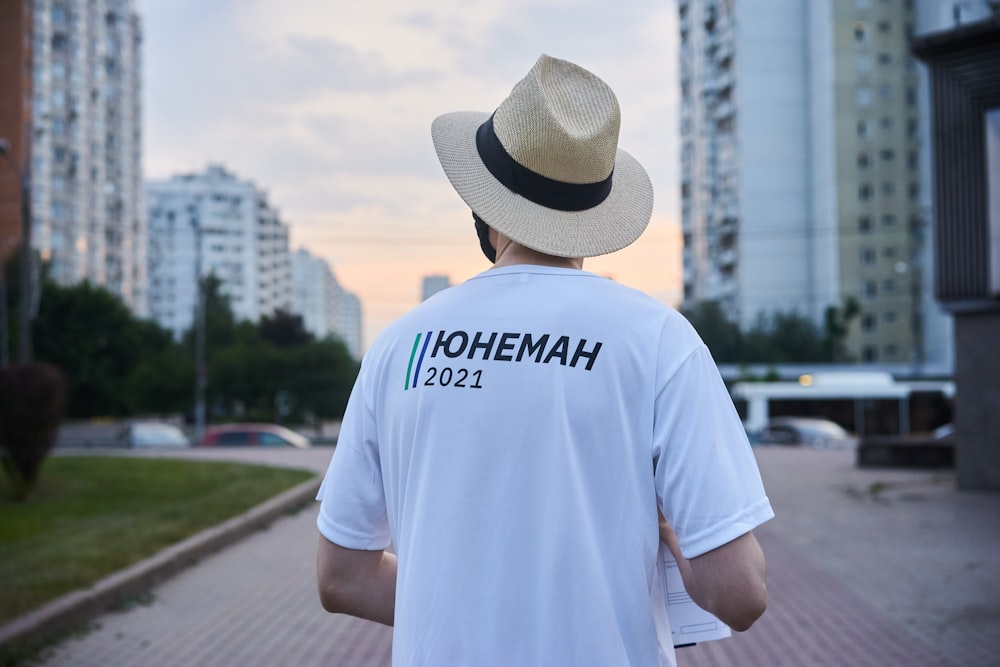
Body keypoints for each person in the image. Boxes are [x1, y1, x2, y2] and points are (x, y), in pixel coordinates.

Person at [315, 54, 773, 666]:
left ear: (483, 208)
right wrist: (671, 547)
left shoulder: (401, 345)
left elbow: (342, 577)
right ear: (593, 214)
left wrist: (467, 604)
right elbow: (739, 595)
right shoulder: (658, 340)